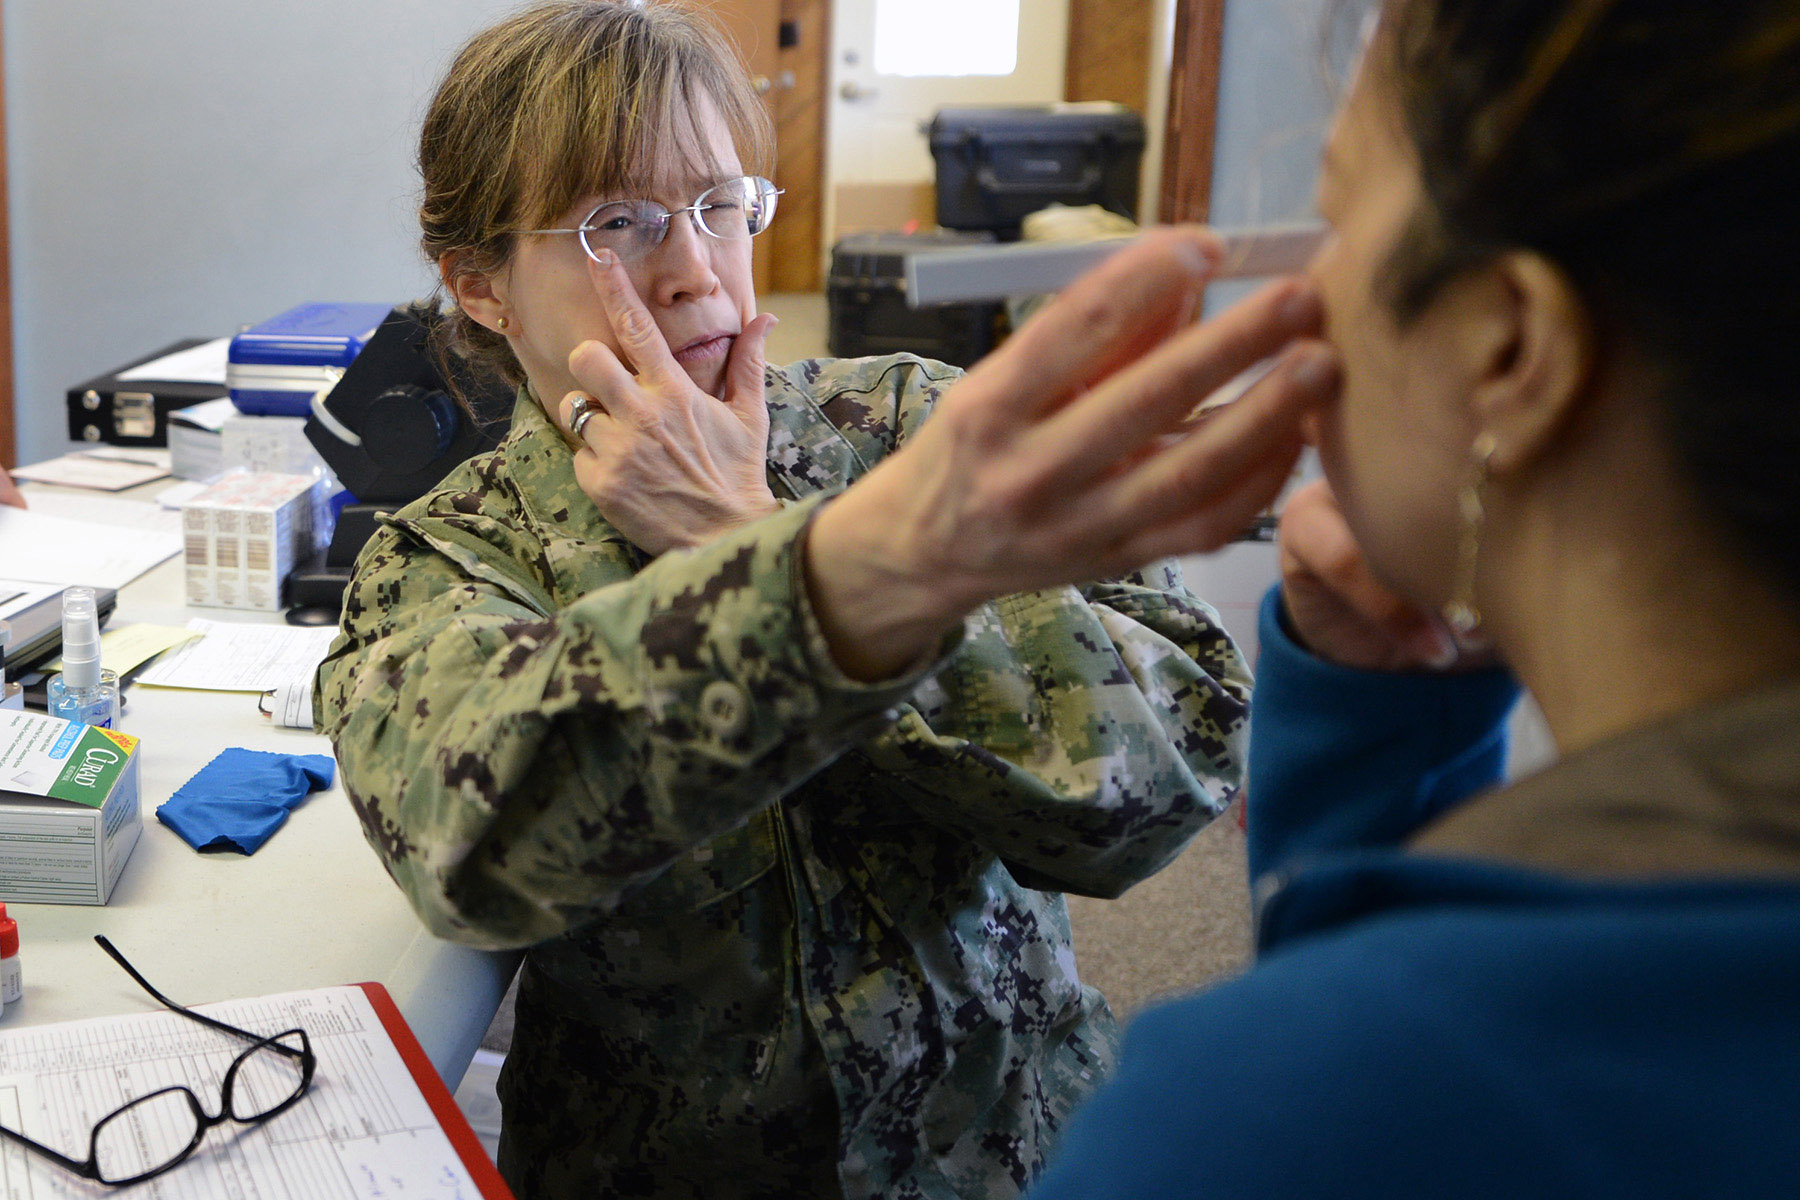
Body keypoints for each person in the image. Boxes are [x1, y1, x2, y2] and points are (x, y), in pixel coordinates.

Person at [313, 3, 1338, 1197]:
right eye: (616, 225)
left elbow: (1173, 773)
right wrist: (807, 590)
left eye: (719, 205)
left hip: (1017, 1148)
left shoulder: (906, 427)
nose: (695, 270)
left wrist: (749, 537)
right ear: (479, 285)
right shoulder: (451, 562)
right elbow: (467, 853)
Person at [1025, 0, 1800, 1195]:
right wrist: (1378, 749)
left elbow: (1396, 1077)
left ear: (1505, 351)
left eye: (1332, 222)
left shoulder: (1245, 1124)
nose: (1307, 298)